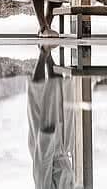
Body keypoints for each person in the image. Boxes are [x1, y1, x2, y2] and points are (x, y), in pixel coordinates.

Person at [28, 45, 75, 188]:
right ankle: (48, 53)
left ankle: (43, 54)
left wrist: (46, 137)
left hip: (45, 141)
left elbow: (42, 167)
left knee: (38, 96)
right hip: (62, 146)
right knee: (59, 91)